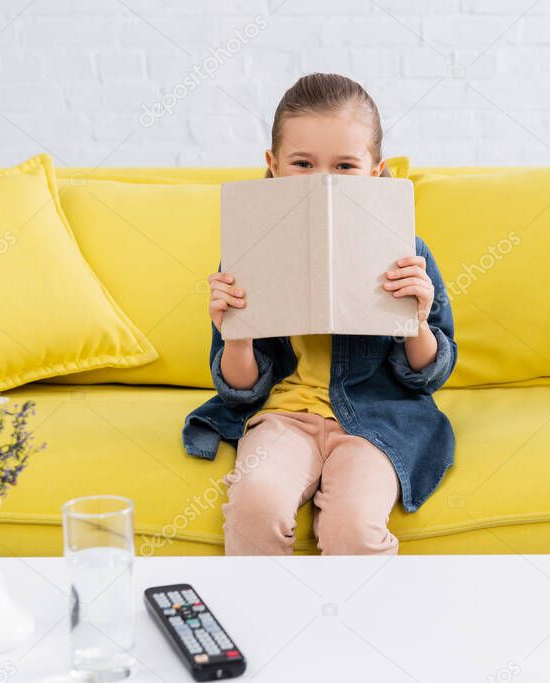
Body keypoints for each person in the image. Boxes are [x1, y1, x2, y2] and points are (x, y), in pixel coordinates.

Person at [182, 73, 457, 556]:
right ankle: (262, 625)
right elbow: (238, 386)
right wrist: (237, 334)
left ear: (375, 170)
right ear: (273, 165)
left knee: (352, 529)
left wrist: (417, 321)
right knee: (254, 508)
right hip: (283, 417)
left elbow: (428, 377)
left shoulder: (408, 252)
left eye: (345, 165)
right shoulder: (251, 249)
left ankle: (353, 630)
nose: (324, 180)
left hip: (376, 420)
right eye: (303, 163)